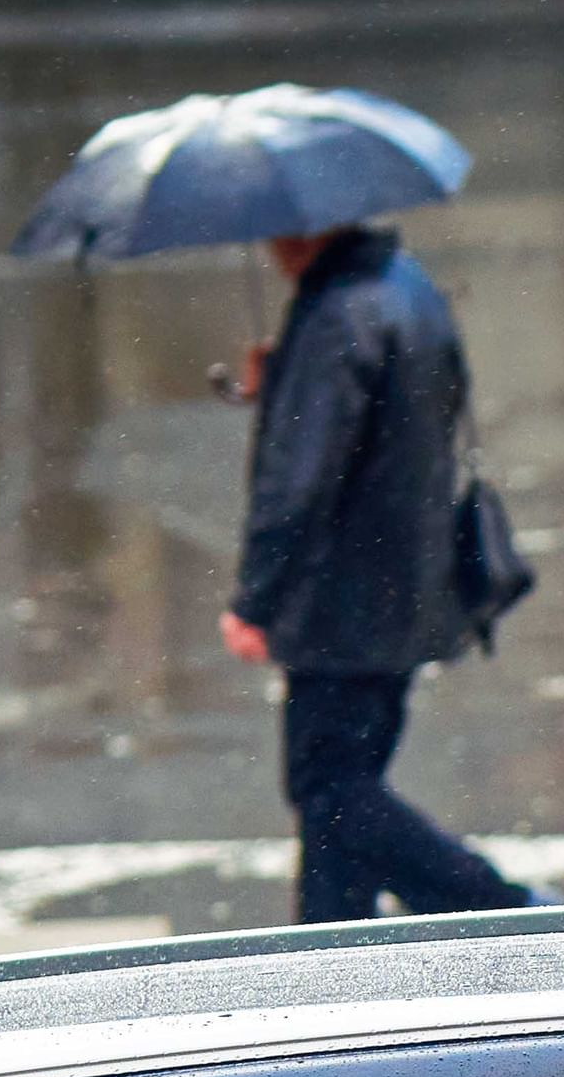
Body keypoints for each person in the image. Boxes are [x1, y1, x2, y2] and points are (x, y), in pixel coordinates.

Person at [223, 220, 536, 926]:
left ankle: (496, 909)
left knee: (329, 789)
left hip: (343, 604)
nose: (270, 248)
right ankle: (330, 953)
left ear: (307, 227)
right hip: (407, 585)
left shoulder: (336, 316)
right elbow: (397, 416)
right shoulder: (405, 287)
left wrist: (255, 600)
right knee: (341, 798)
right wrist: (283, 385)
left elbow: (296, 481)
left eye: (280, 235)